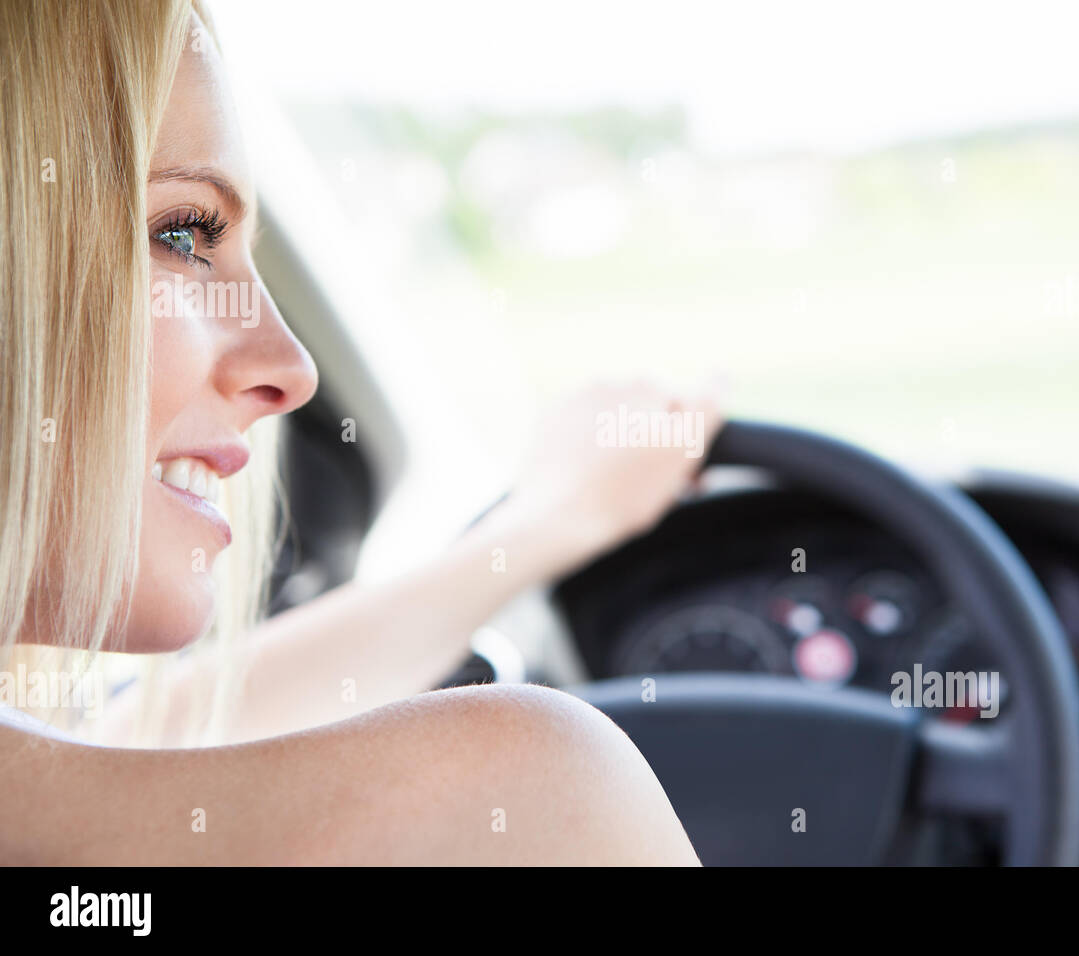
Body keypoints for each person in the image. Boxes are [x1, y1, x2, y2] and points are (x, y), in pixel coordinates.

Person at [0, 0, 720, 865]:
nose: (293, 368)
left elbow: (134, 747)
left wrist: (545, 526)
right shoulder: (532, 796)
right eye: (182, 234)